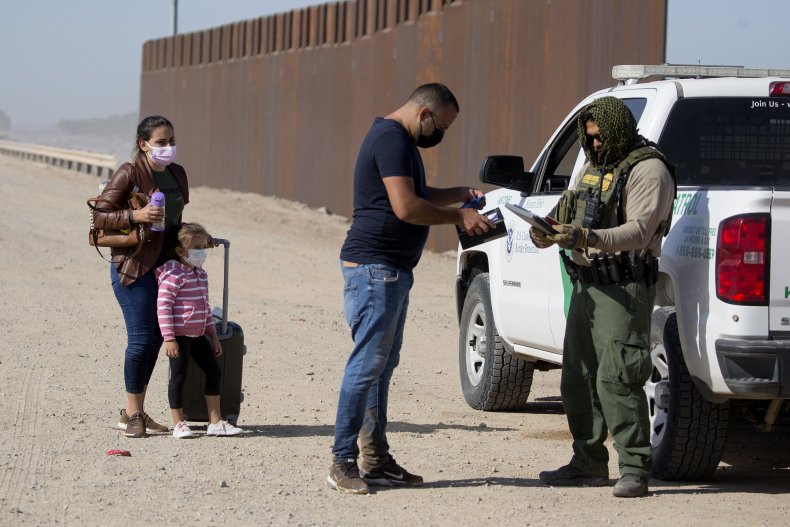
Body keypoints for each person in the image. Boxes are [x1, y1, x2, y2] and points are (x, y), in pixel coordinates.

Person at [327, 83, 495, 494]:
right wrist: (458, 217)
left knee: (380, 367)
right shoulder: (391, 140)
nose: (442, 135)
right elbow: (405, 207)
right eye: (442, 126)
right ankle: (342, 461)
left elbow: (415, 196)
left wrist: (457, 195)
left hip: (389, 269)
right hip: (374, 268)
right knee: (367, 365)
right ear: (424, 114)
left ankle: (376, 460)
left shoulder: (396, 140)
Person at [530, 96, 675, 498]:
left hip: (623, 288)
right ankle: (588, 463)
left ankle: (634, 468)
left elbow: (640, 232)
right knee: (578, 378)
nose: (594, 146)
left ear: (618, 130)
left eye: (600, 138)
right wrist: (545, 231)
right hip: (587, 286)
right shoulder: (594, 170)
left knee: (619, 379)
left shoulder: (649, 170)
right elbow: (566, 213)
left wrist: (586, 237)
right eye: (589, 139)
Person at [94, 115, 188, 438]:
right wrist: (136, 214)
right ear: (143, 144)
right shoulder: (130, 172)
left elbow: (176, 221)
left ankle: (137, 410)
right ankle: (131, 414)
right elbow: (99, 215)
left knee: (159, 336)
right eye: (161, 142)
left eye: (172, 141)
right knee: (141, 338)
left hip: (166, 269)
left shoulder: (177, 174)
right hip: (133, 266)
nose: (169, 148)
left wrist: (195, 241)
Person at [155, 222, 243, 438]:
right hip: (180, 336)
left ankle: (215, 421)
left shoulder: (200, 274)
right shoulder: (173, 275)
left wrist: (213, 336)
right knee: (178, 377)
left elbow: (205, 308)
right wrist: (169, 338)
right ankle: (179, 424)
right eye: (195, 247)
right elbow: (163, 307)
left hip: (198, 335)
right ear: (180, 250)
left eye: (203, 247)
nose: (201, 252)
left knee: (214, 371)